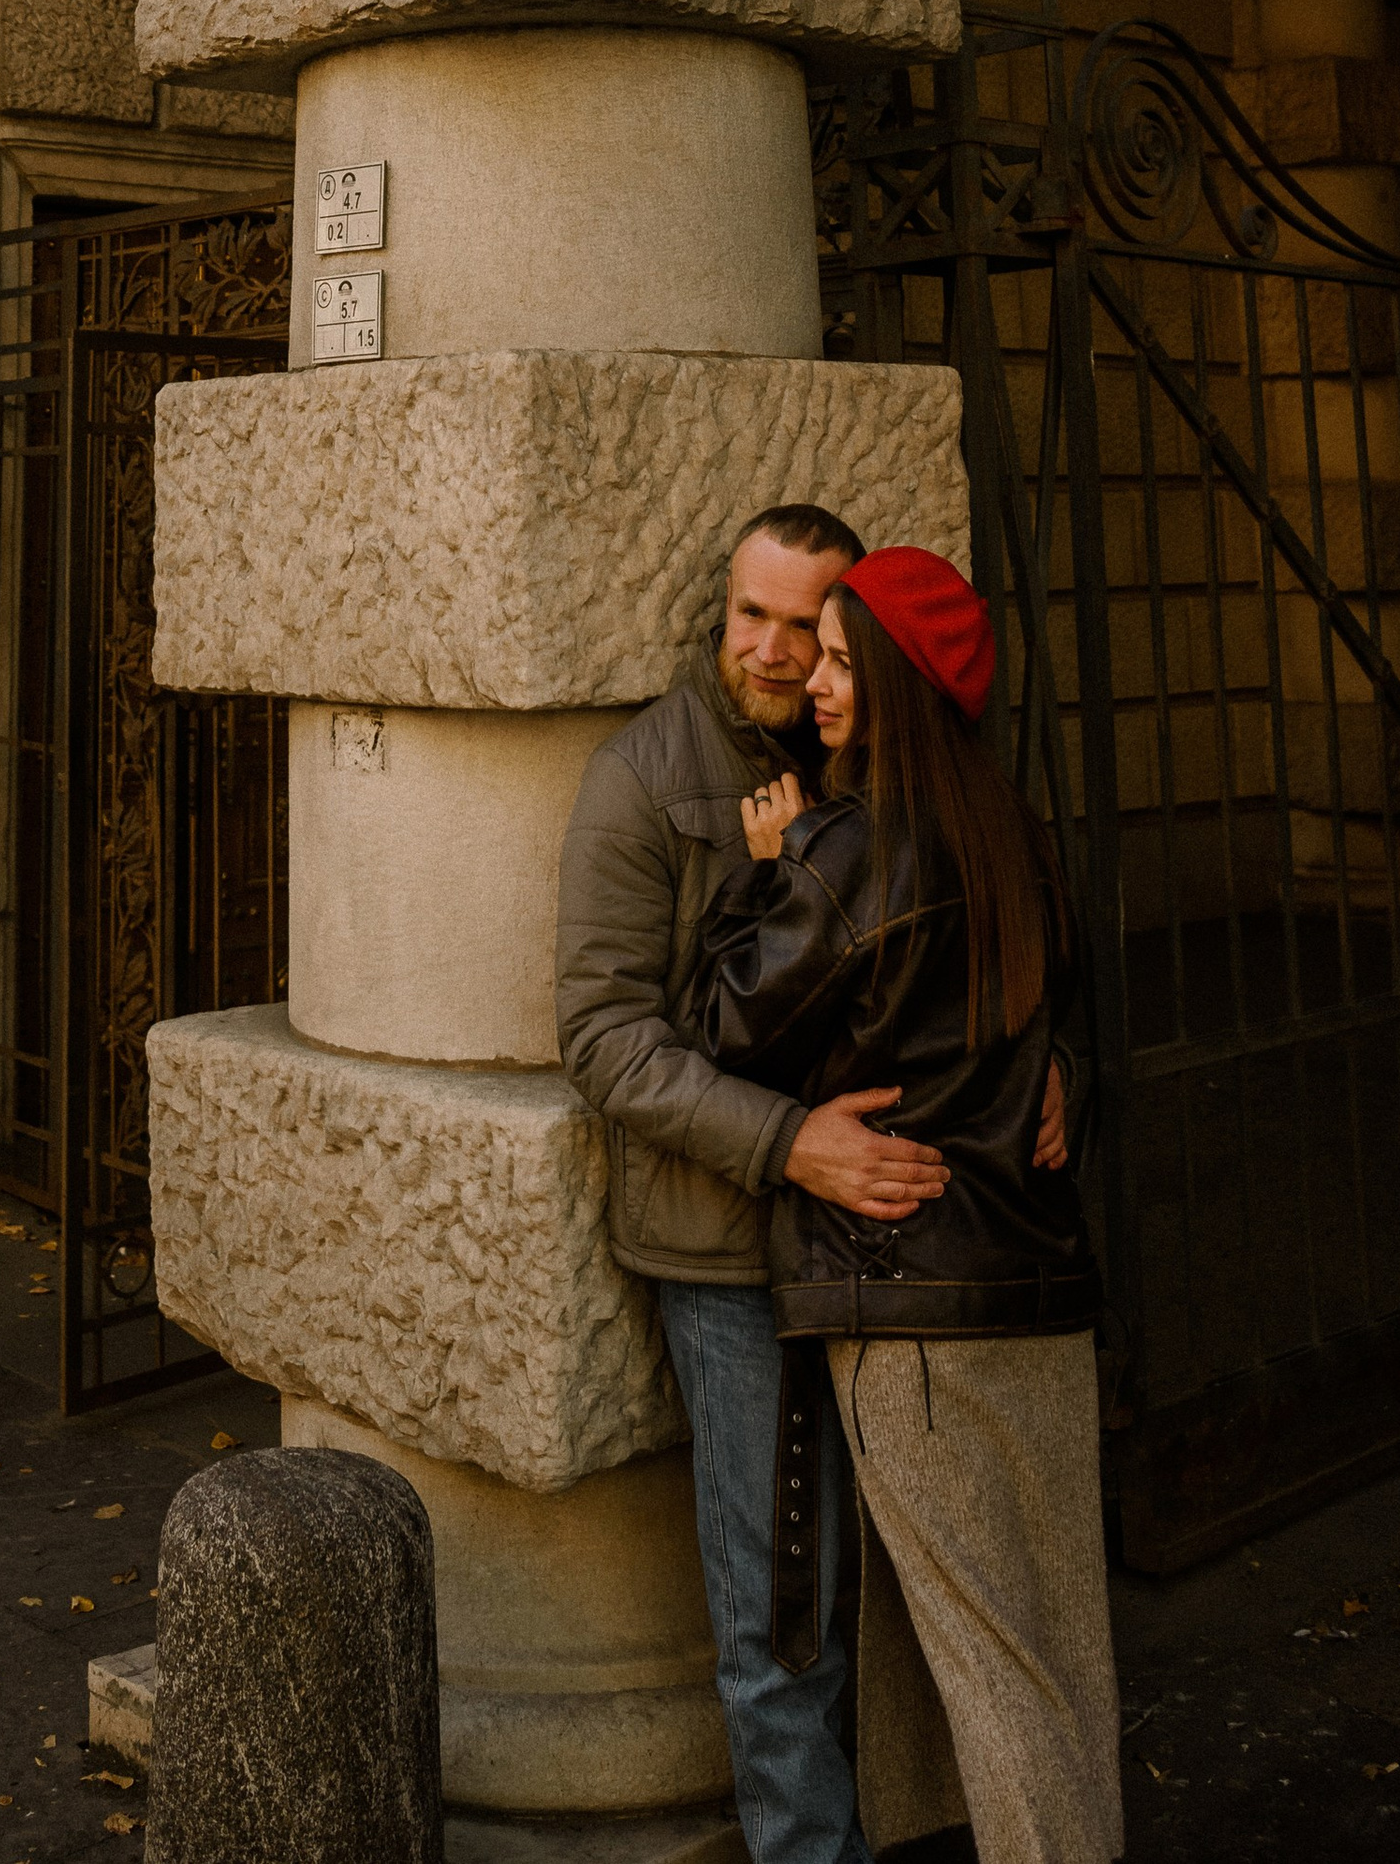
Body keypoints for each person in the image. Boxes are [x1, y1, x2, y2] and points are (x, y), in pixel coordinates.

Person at [686, 544, 1121, 1864]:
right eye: (809, 653)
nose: (815, 683)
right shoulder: (1016, 837)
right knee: (1046, 1656)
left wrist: (761, 873)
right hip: (1036, 1298)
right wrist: (1069, 1080)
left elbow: (717, 1023)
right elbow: (1057, 1027)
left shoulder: (846, 854)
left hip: (918, 1315)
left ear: (901, 679)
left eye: (837, 658)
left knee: (991, 1675)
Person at [556, 505, 956, 1864]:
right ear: (719, 611)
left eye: (807, 625)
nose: (778, 652)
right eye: (755, 617)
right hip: (733, 1255)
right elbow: (606, 1040)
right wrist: (792, 1144)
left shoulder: (867, 757)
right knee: (780, 1618)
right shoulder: (642, 779)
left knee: (888, 1594)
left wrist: (1047, 1062)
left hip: (894, 1242)